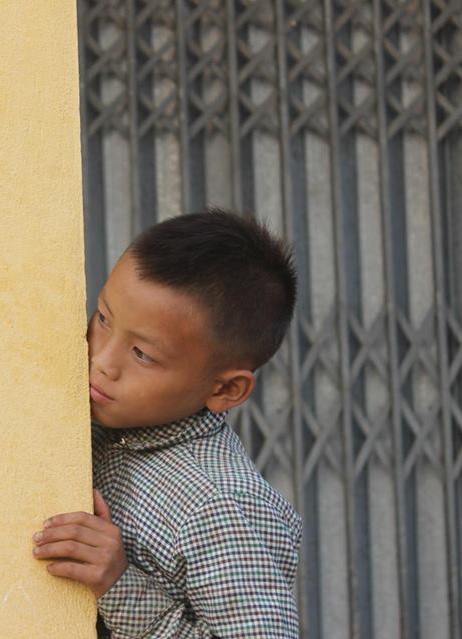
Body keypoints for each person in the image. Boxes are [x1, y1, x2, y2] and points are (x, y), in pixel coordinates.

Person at [32, 208, 302, 638]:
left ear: (225, 390)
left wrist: (119, 584)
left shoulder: (218, 505)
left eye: (142, 354)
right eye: (103, 318)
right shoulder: (102, 420)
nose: (101, 362)